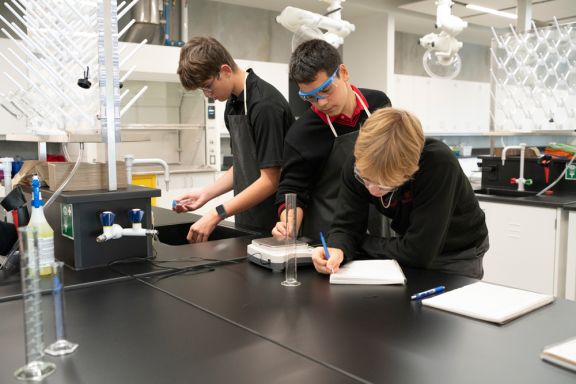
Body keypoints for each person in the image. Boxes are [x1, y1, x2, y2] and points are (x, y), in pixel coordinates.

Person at [312, 108, 489, 279]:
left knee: (445, 308)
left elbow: (417, 252)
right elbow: (345, 225)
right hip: (412, 246)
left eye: (384, 185)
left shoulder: (438, 165)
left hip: (457, 252)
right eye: (365, 179)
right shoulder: (359, 164)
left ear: (410, 171)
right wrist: (337, 248)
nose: (373, 190)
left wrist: (358, 241)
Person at [175, 36, 294, 242]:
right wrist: (205, 194)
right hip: (247, 217)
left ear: (225, 71)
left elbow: (271, 179)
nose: (207, 95)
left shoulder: (264, 105)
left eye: (207, 86)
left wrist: (216, 214)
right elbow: (243, 164)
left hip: (277, 223)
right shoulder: (232, 104)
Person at [272, 39, 391, 243]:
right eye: (310, 97)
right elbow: (292, 191)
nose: (321, 103)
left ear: (343, 73)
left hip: (381, 227)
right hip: (330, 238)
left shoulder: (379, 104)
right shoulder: (302, 133)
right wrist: (288, 225)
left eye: (326, 90)